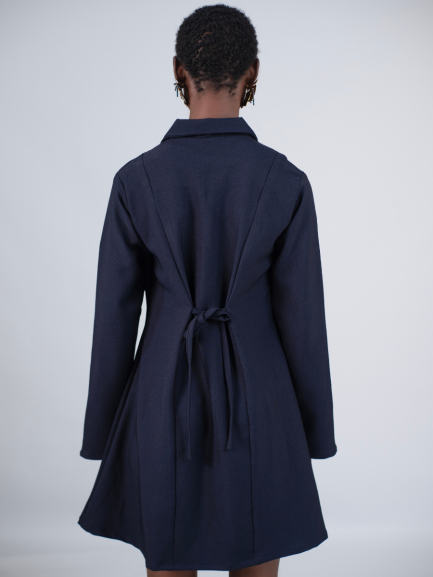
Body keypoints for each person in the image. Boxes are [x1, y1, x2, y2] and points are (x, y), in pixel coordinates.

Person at [78, 5, 337, 577]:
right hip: (262, 403)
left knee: (167, 550)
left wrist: (103, 434)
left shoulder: (135, 180)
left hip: (160, 399)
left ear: (178, 70)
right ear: (253, 73)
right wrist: (314, 432)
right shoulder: (286, 181)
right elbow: (303, 321)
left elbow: (113, 319)